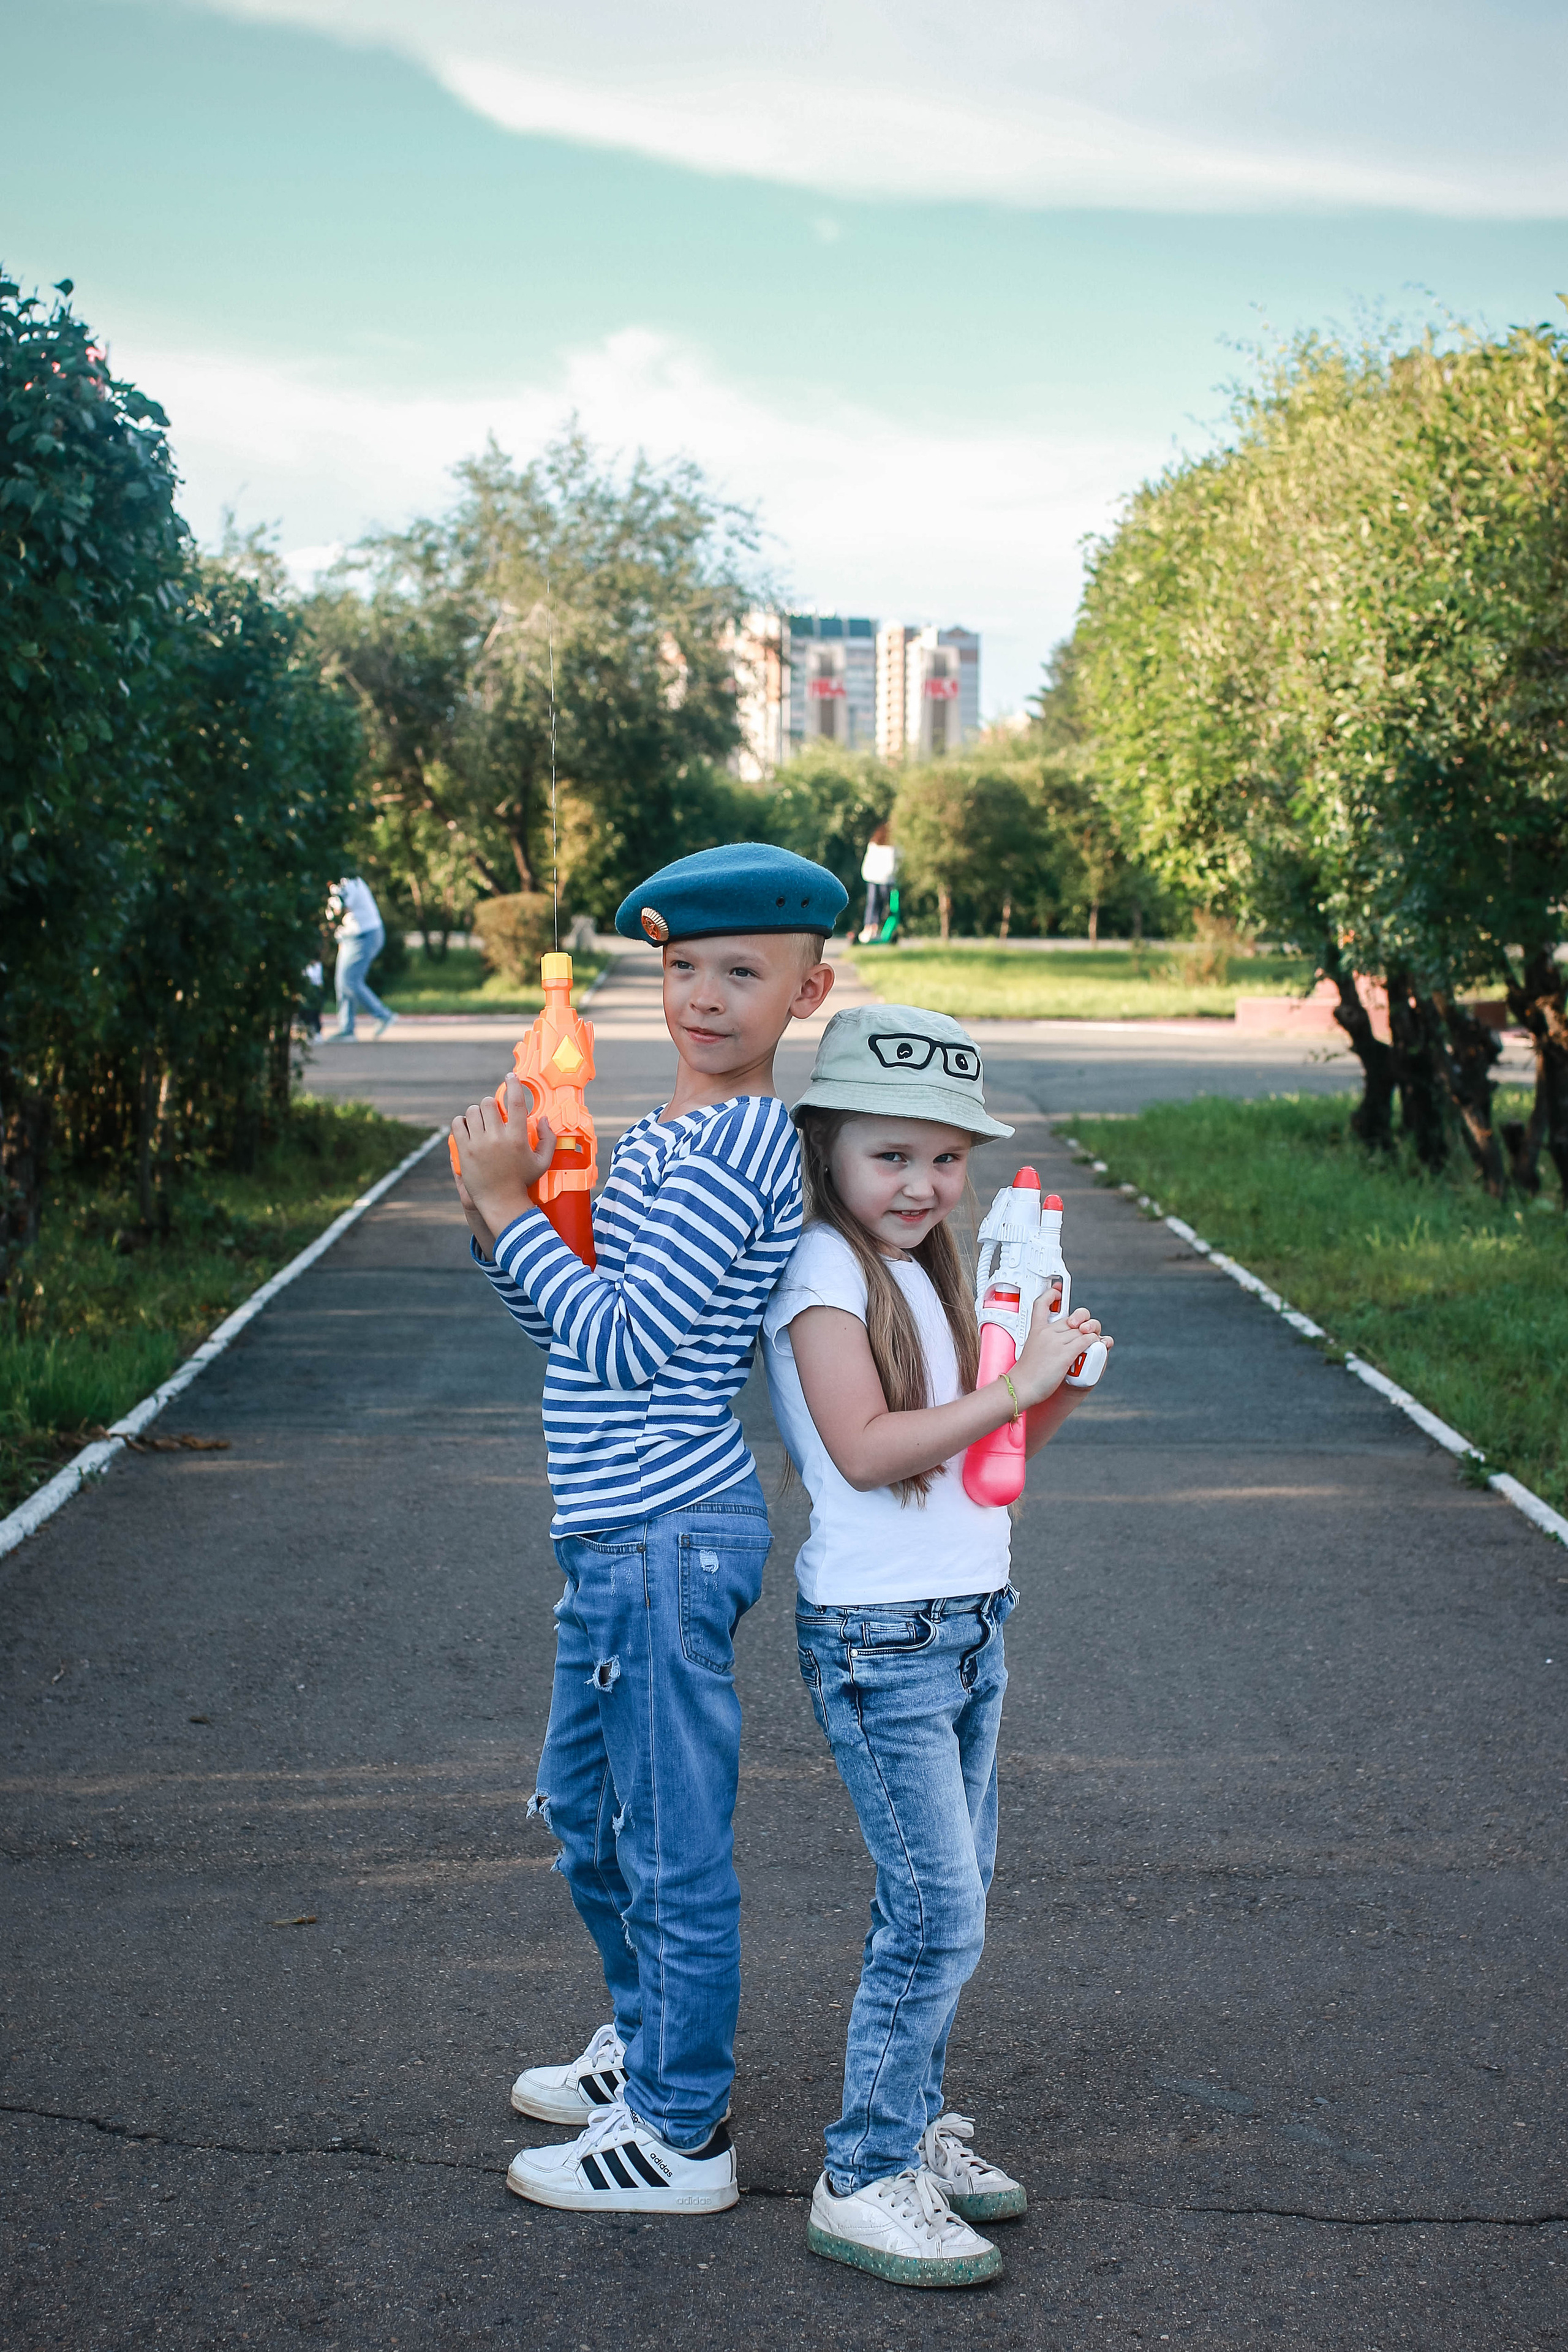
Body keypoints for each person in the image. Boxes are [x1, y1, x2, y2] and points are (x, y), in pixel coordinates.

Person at [448, 842, 847, 2217]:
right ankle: (649, 2043)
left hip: (664, 1534)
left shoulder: (737, 1149)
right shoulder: (663, 1139)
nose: (704, 996)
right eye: (682, 968)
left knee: (667, 1835)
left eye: (744, 972)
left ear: (809, 989)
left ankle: (681, 2131)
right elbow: (561, 1326)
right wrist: (509, 1213)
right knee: (584, 1812)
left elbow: (621, 1343)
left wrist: (507, 1209)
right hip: (614, 1536)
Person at [761, 1004, 1112, 2287]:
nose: (920, 1183)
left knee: (946, 1902)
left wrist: (1048, 1392)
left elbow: (976, 1468)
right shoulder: (821, 1273)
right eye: (890, 1156)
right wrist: (1008, 1387)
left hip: (968, 1622)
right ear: (829, 1151)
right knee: (935, 1912)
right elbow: (862, 1451)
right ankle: (862, 2173)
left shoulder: (934, 1275)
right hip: (879, 1638)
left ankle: (906, 2128)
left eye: (943, 1159)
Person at [325, 874, 397, 1041]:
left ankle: (383, 1015)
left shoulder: (348, 882)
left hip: (365, 935)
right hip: (350, 937)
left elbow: (341, 909)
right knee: (342, 982)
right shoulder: (335, 885)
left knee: (350, 981)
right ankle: (347, 1030)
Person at [859, 824, 898, 943]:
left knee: (872, 903)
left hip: (873, 877)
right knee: (880, 903)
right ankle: (872, 928)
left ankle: (870, 928)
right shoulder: (892, 848)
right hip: (885, 879)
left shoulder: (873, 845)